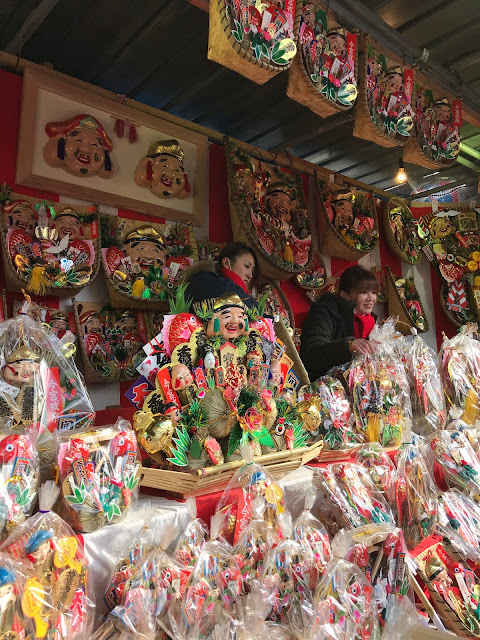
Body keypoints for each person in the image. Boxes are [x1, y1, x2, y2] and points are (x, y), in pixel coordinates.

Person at [300, 265, 379, 380]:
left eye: (374, 292)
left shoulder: (371, 323)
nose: (371, 298)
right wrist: (348, 346)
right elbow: (312, 355)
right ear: (344, 295)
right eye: (363, 292)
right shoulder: (325, 311)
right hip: (321, 388)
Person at [184, 241, 259, 311]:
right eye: (246, 266)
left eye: (252, 271)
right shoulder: (206, 280)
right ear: (226, 263)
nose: (250, 275)